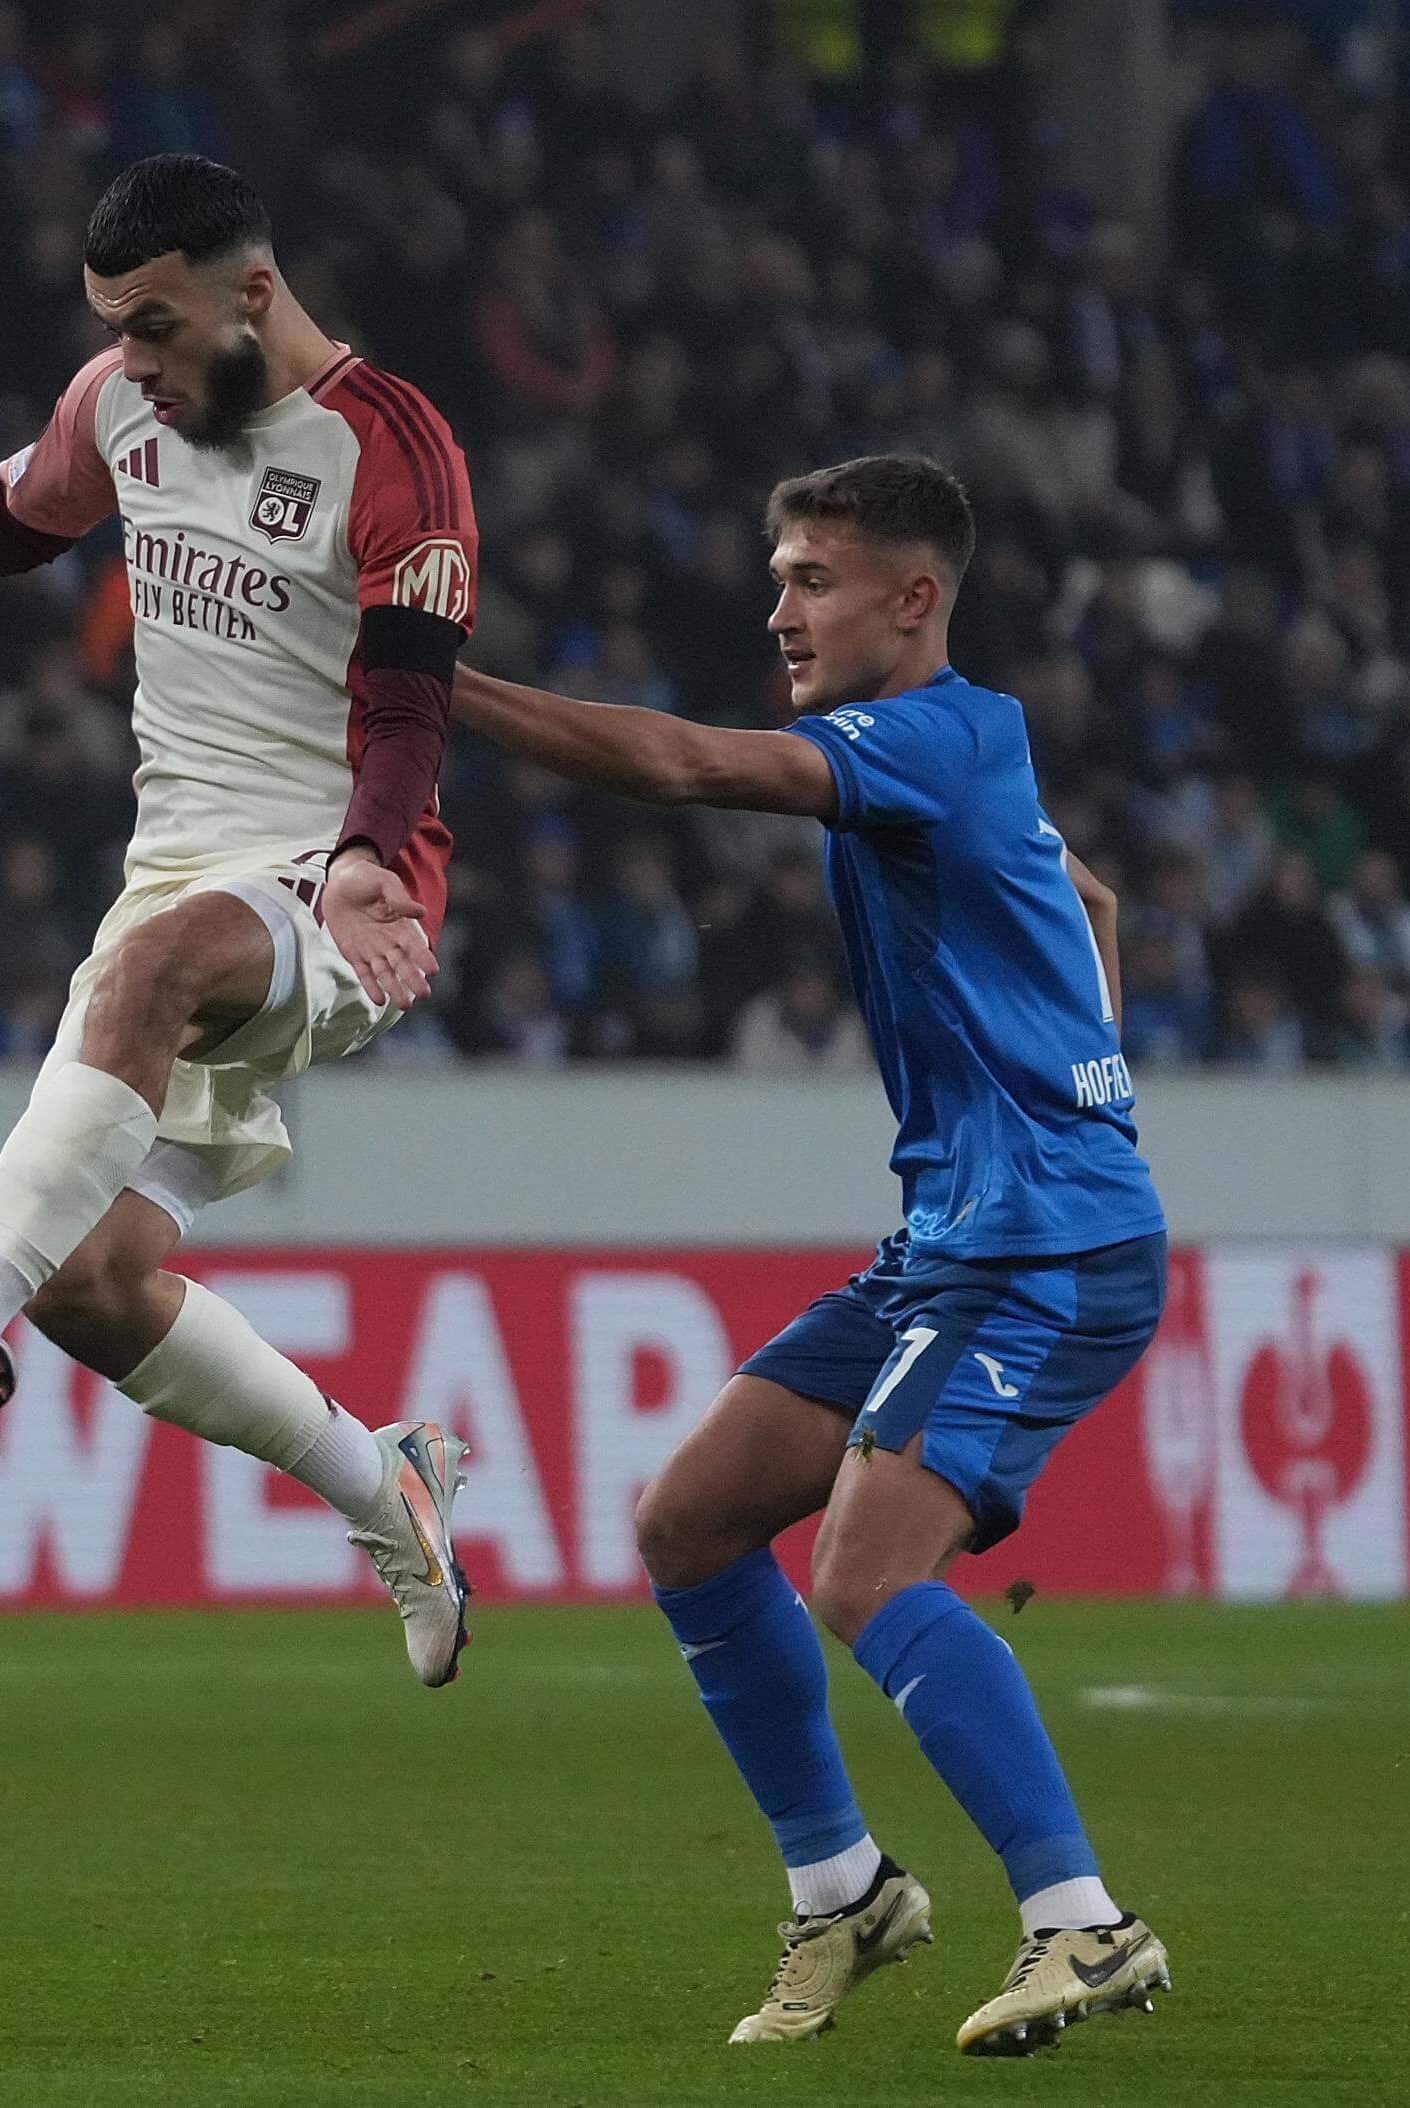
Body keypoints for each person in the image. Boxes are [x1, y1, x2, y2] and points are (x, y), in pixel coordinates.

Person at [0, 156, 480, 1686]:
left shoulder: (395, 447)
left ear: (254, 295)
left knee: (151, 973)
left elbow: (407, 685)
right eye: (115, 329)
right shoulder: (121, 403)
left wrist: (375, 848)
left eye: (161, 330)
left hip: (339, 884)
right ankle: (393, 1499)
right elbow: (22, 514)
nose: (138, 364)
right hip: (174, 882)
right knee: (95, 1286)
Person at [451, 457, 1172, 2057]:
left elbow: (678, 765)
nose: (778, 609)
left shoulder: (923, 732)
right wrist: (1084, 1068)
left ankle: (1083, 1923)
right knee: (691, 1521)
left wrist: (437, 682)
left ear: (916, 600)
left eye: (815, 581)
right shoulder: (968, 749)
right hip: (959, 1237)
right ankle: (843, 1891)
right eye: (778, 576)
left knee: (861, 1573)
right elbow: (1090, 893)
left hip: (1043, 1249)